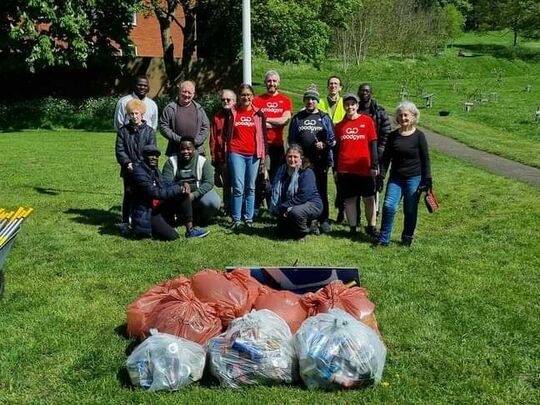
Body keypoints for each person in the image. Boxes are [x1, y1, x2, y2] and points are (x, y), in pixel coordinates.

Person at [375, 101, 432, 247]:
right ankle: (383, 238)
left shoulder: (420, 136)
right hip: (396, 178)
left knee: (410, 208)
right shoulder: (393, 136)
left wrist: (427, 180)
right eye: (400, 115)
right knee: (389, 206)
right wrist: (381, 177)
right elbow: (386, 158)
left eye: (406, 115)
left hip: (414, 178)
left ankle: (407, 237)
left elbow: (425, 159)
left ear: (413, 117)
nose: (403, 118)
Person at [131, 145, 209, 240]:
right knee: (173, 237)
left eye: (156, 155)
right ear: (144, 156)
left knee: (184, 195)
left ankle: (190, 230)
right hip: (148, 213)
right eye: (150, 155)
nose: (154, 158)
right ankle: (150, 230)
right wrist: (178, 189)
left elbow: (165, 183)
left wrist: (182, 184)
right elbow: (155, 193)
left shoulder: (154, 170)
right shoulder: (138, 172)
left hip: (158, 207)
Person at [288, 85, 335, 234]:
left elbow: (333, 139)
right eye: (307, 99)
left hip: (320, 161)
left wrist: (324, 144)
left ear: (317, 101)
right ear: (304, 101)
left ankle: (324, 219)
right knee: (303, 190)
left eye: (313, 99)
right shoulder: (297, 118)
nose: (310, 101)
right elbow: (292, 140)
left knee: (321, 190)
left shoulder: (324, 117)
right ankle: (308, 219)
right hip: (303, 163)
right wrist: (296, 157)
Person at [334, 93, 379, 238]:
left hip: (364, 168)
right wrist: (335, 169)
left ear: (357, 106)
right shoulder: (339, 126)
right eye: (347, 104)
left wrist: (374, 165)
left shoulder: (367, 121)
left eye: (352, 104)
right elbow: (336, 149)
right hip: (345, 168)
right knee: (349, 199)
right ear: (344, 106)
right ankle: (352, 228)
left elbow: (373, 144)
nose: (350, 107)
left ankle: (371, 227)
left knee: (369, 199)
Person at [225, 84, 267, 230]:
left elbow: (263, 137)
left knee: (251, 187)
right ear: (239, 97)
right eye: (243, 94)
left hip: (254, 155)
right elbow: (226, 134)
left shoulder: (259, 114)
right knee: (238, 187)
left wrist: (263, 157)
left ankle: (248, 219)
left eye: (249, 94)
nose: (246, 97)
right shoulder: (232, 112)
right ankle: (236, 219)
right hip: (236, 153)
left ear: (253, 96)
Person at [115, 99, 156, 234]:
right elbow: (120, 150)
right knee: (128, 194)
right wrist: (127, 163)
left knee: (144, 195)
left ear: (142, 114)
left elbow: (152, 151)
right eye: (131, 114)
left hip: (144, 169)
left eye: (136, 113)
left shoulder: (150, 132)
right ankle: (125, 222)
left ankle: (142, 221)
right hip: (128, 170)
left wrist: (144, 166)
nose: (134, 116)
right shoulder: (123, 131)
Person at [162, 136, 221, 226]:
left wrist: (194, 195)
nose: (186, 152)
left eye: (189, 149)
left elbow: (209, 182)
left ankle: (200, 217)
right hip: (178, 195)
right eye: (183, 149)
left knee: (214, 201)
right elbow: (165, 182)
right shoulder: (171, 162)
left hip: (198, 194)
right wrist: (180, 188)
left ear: (194, 149)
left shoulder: (202, 161)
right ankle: (178, 216)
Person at [270, 144, 322, 241]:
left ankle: (303, 233)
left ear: (301, 157)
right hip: (292, 203)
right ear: (285, 157)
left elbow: (304, 196)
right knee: (281, 233)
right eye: (289, 156)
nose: (292, 159)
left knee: (295, 212)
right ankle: (310, 225)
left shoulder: (306, 172)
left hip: (311, 203)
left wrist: (286, 206)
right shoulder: (282, 170)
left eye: (295, 157)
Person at [253, 70, 292, 181]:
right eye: (269, 81)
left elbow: (285, 120)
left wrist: (265, 119)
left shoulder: (285, 100)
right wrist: (276, 123)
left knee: (277, 175)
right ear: (265, 82)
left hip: (277, 143)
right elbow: (256, 122)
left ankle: (273, 198)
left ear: (278, 83)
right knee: (261, 175)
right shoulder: (257, 100)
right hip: (260, 144)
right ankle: (259, 198)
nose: (272, 83)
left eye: (274, 81)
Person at [318, 75, 346, 224]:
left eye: (336, 84)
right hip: (323, 146)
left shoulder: (345, 103)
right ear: (327, 86)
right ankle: (322, 212)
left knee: (339, 180)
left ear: (340, 87)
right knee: (322, 179)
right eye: (331, 84)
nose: (333, 86)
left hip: (340, 146)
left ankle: (341, 209)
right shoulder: (321, 102)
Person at [159, 80, 210, 157]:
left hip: (196, 150)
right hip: (176, 149)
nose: (186, 95)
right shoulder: (170, 108)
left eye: (189, 92)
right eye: (184, 91)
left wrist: (195, 141)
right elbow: (163, 126)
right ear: (179, 92)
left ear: (193, 94)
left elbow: (206, 126)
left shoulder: (199, 109)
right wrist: (179, 139)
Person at [209, 89, 236, 215]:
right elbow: (213, 139)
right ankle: (227, 207)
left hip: (237, 154)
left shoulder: (238, 115)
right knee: (226, 184)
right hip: (222, 156)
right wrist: (214, 160)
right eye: (223, 100)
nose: (225, 101)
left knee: (238, 183)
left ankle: (238, 207)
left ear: (234, 101)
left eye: (228, 99)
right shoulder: (217, 117)